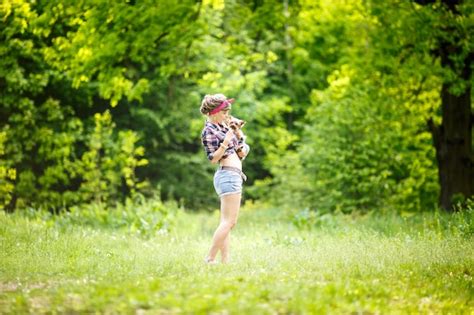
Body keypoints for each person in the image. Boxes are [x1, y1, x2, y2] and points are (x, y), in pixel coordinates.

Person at [200, 94, 250, 264]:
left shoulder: (223, 126)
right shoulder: (209, 130)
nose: (227, 115)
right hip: (227, 175)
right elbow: (213, 158)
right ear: (214, 112)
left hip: (233, 175)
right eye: (224, 112)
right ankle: (209, 258)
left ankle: (225, 261)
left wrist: (238, 134)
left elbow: (240, 152)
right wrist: (226, 140)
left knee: (226, 222)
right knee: (230, 222)